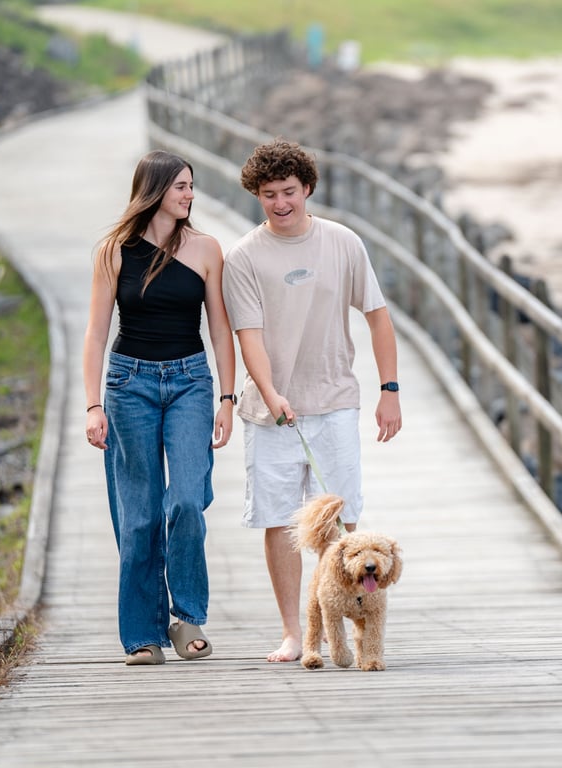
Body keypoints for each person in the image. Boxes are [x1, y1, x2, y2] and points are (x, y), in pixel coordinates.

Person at [222, 138, 402, 663]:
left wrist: (389, 390)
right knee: (280, 520)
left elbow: (378, 316)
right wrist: (273, 393)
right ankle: (294, 633)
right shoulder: (244, 257)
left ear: (308, 190)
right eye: (269, 195)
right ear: (257, 196)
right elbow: (248, 336)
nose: (280, 204)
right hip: (269, 410)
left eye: (289, 192)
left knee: (348, 516)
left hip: (335, 400)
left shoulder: (342, 243)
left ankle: (363, 625)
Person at [82, 150, 237, 666]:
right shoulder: (113, 252)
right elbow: (96, 333)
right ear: (153, 191)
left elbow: (219, 328)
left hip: (191, 381)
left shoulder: (208, 249)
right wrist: (92, 405)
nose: (189, 195)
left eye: (191, 186)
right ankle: (143, 635)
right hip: (129, 385)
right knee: (139, 515)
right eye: (180, 187)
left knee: (188, 499)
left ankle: (187, 615)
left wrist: (227, 397)